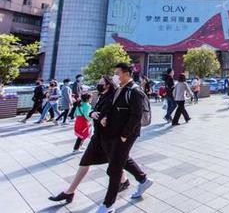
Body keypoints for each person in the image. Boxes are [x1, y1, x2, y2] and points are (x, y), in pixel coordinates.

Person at [48, 76, 131, 205]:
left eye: (101, 83)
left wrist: (98, 117)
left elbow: (106, 115)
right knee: (86, 162)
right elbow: (95, 111)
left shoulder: (112, 97)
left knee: (116, 163)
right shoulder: (102, 96)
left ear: (108, 85)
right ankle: (70, 191)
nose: (99, 85)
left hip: (106, 137)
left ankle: (127, 182)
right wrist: (92, 113)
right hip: (97, 138)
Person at [96, 63, 152, 213]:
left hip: (126, 135)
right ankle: (143, 179)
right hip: (116, 133)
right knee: (123, 159)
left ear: (126, 73)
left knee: (115, 167)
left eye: (117, 73)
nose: (115, 76)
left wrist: (124, 135)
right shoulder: (121, 89)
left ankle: (108, 205)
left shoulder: (134, 91)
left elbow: (136, 116)